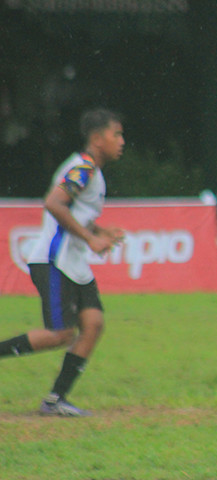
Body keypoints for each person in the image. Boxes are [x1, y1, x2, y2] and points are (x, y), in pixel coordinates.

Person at [0, 107, 125, 417]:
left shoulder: (91, 171)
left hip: (73, 262)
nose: (122, 141)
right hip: (54, 261)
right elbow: (54, 203)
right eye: (117, 134)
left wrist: (98, 230)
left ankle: (55, 400)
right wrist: (91, 239)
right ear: (98, 139)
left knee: (93, 324)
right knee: (60, 334)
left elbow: (73, 211)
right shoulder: (82, 169)